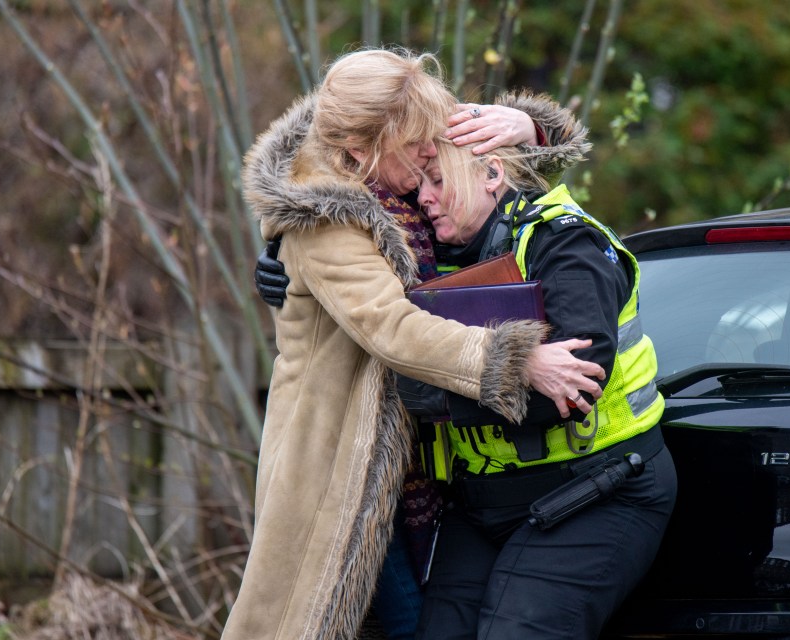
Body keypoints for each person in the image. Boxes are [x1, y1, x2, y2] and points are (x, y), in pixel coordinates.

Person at [222, 48, 604, 640]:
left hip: (429, 461)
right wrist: (511, 358)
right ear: (360, 149)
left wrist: (532, 127)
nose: (433, 151)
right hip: (349, 460)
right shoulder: (327, 217)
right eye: (419, 143)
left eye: (434, 137)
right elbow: (393, 328)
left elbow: (492, 174)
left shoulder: (398, 168)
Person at [399, 139, 679, 639]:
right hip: (482, 501)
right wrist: (285, 264)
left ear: (492, 174)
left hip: (600, 490)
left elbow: (572, 387)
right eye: (419, 184)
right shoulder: (429, 251)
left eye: (438, 180)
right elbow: (345, 252)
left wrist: (433, 388)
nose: (424, 198)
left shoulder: (564, 242)